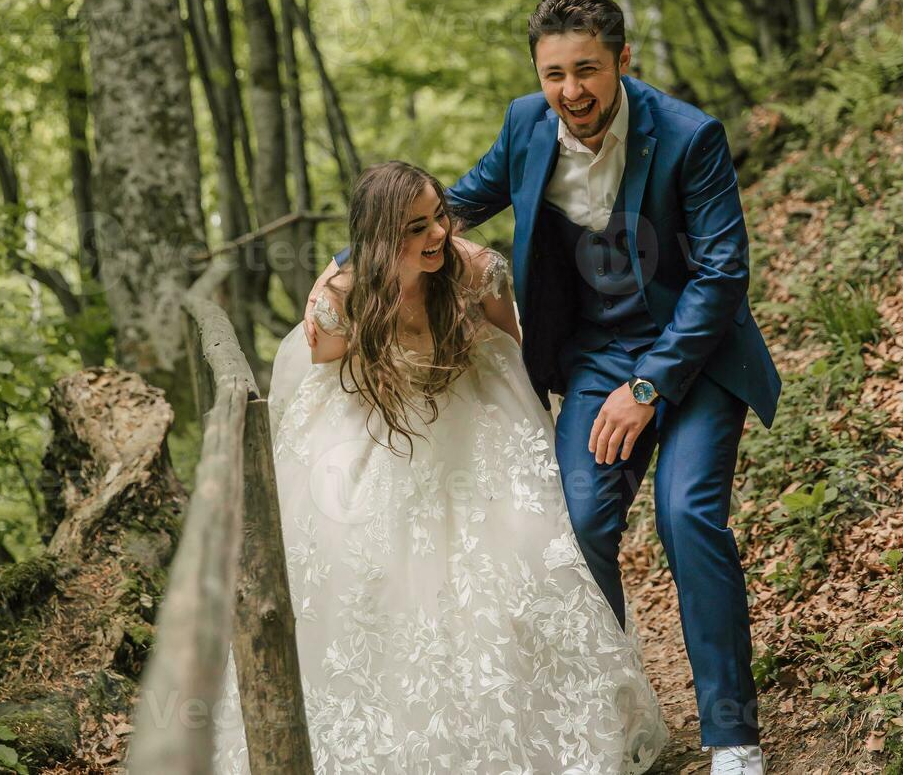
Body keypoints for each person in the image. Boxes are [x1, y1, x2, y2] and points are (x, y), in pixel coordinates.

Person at [306, 0, 781, 775]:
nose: (571, 91)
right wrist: (354, 261)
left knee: (686, 515)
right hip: (595, 355)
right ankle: (613, 714)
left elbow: (722, 274)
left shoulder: (690, 136)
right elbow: (451, 204)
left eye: (587, 70)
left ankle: (732, 737)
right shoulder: (527, 124)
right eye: (554, 73)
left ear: (623, 62)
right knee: (581, 525)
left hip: (690, 354)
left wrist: (651, 385)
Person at [210, 161, 668, 774]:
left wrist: (537, 428)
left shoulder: (475, 268)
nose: (436, 236)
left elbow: (515, 345)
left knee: (520, 555)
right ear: (378, 237)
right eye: (415, 227)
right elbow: (317, 363)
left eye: (439, 219)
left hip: (473, 415)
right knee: (368, 564)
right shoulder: (343, 299)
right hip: (381, 426)